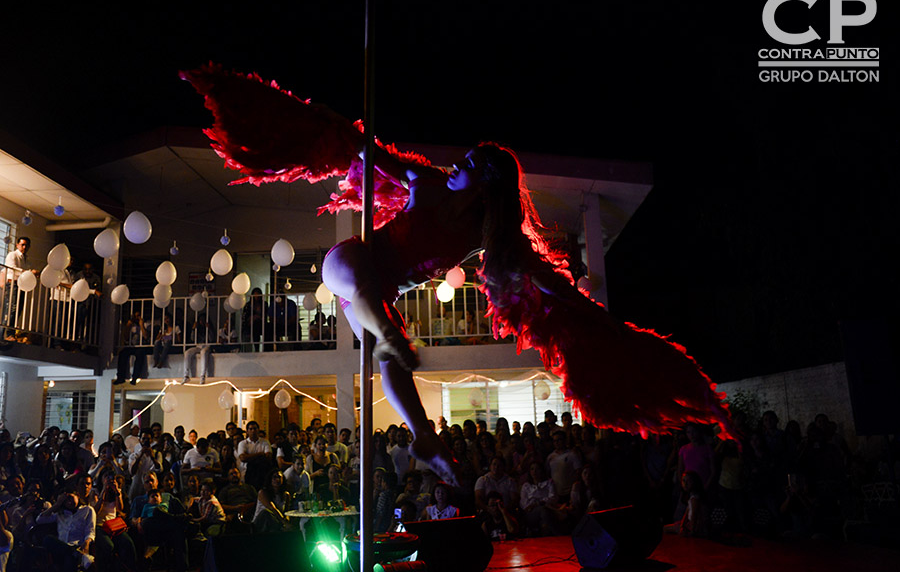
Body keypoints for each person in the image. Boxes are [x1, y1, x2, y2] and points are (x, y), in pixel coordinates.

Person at [184, 68, 737, 484]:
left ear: (484, 185)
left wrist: (580, 309)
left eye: (468, 164)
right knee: (356, 282)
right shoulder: (424, 183)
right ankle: (393, 338)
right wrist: (332, 130)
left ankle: (425, 436)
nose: (455, 165)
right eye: (461, 160)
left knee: (387, 358)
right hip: (357, 267)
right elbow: (368, 154)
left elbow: (539, 274)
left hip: (378, 300)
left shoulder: (487, 236)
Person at [36, 491, 96, 572]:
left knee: (69, 559)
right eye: (65, 500)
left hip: (77, 545)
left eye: (70, 498)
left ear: (77, 496)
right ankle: (76, 554)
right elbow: (39, 520)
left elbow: (90, 531)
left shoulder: (87, 510)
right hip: (61, 546)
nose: (69, 502)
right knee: (48, 539)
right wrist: (57, 504)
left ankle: (75, 554)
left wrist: (87, 542)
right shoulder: (60, 514)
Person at [236, 420, 272, 490]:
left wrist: (250, 456)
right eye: (250, 429)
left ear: (258, 430)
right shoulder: (243, 443)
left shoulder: (265, 442)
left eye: (255, 429)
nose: (253, 431)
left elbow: (268, 457)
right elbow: (243, 458)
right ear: (247, 431)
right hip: (247, 472)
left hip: (262, 472)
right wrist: (260, 454)